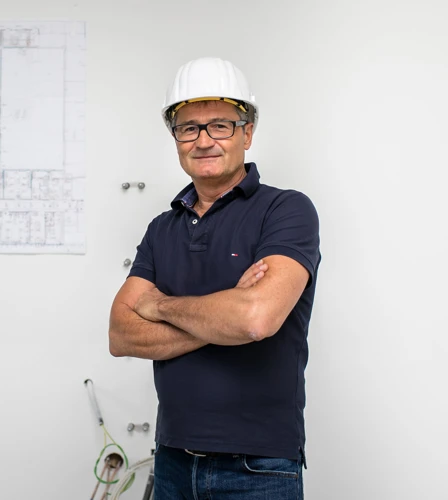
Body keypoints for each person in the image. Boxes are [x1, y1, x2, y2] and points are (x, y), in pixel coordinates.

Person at [108, 57, 321, 499]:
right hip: (172, 460)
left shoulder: (286, 210)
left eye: (220, 125)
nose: (203, 141)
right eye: (189, 128)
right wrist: (223, 315)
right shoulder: (161, 229)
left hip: (258, 468)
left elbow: (255, 320)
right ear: (176, 138)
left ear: (247, 132)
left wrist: (160, 306)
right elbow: (121, 334)